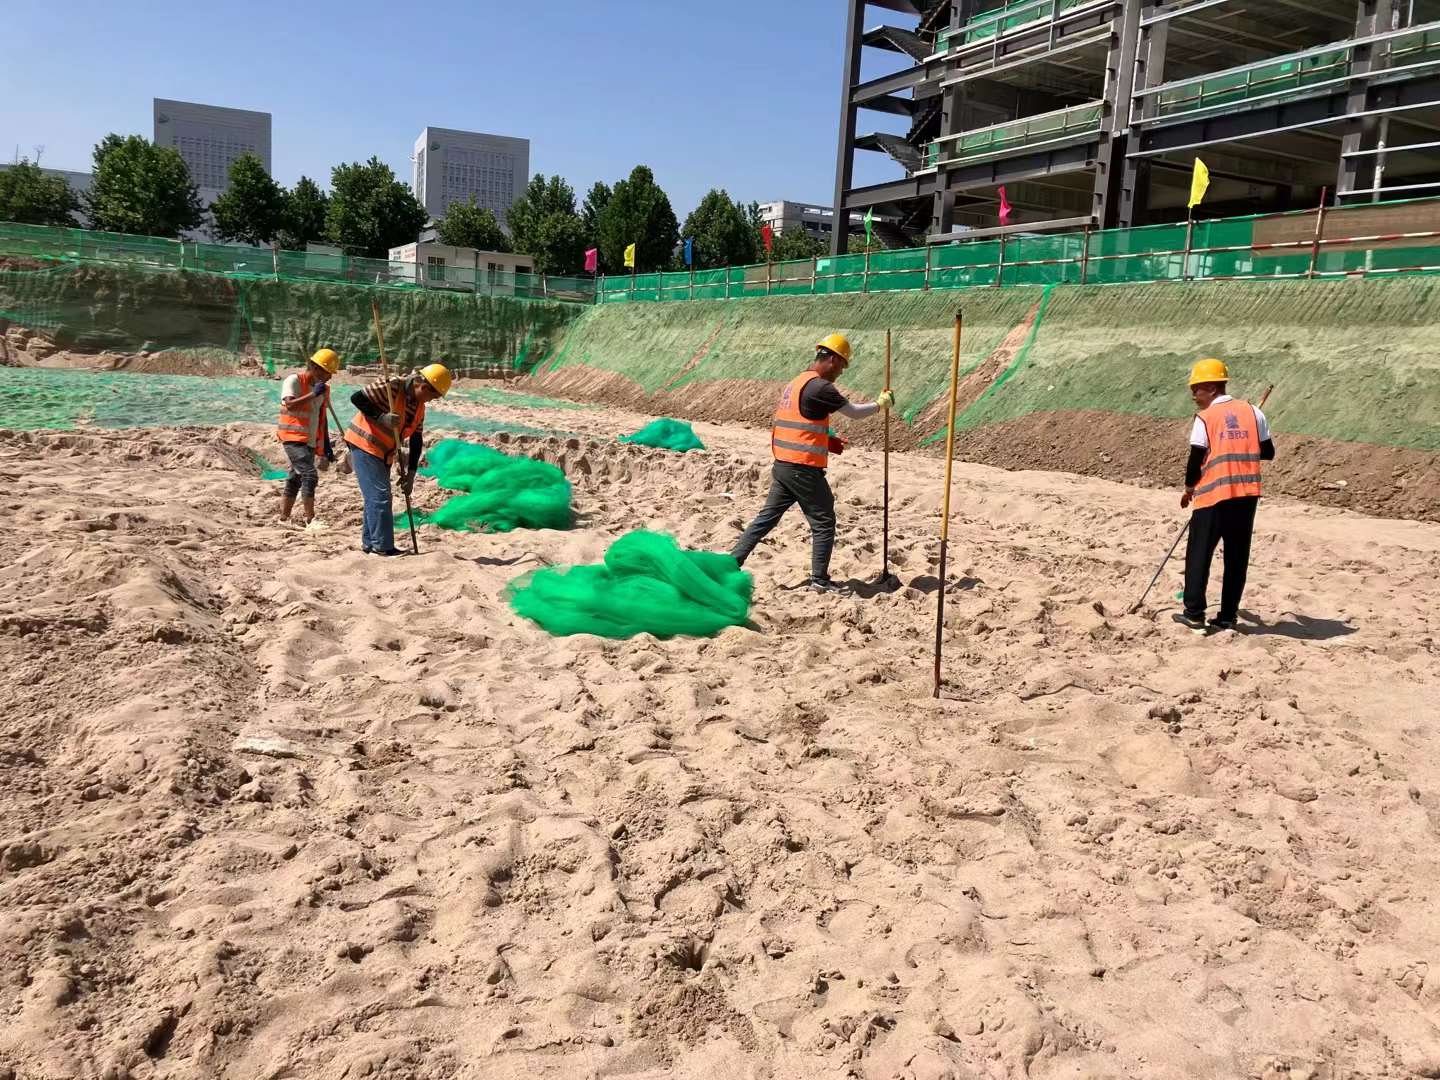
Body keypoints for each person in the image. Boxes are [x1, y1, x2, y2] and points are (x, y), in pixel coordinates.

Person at [731, 333, 894, 594]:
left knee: (767, 518)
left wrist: (826, 440)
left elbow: (801, 418)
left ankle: (732, 562)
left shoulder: (797, 382)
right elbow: (853, 412)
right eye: (841, 366)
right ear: (831, 359)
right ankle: (820, 580)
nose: (840, 372)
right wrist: (879, 405)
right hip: (802, 468)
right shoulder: (821, 387)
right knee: (824, 520)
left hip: (784, 464)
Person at [1175, 358, 1275, 632]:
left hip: (1213, 496)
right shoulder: (1253, 413)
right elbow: (1267, 452)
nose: (1194, 396)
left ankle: (1194, 614)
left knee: (1199, 554)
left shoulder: (1205, 418)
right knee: (1236, 557)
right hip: (1246, 495)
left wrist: (1188, 489)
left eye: (1196, 389)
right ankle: (1227, 616)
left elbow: (1195, 459)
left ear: (1210, 387)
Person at [345, 363, 452, 555]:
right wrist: (381, 417)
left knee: (375, 496)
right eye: (432, 396)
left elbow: (416, 440)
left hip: (384, 451)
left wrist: (411, 474)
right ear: (423, 386)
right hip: (364, 443)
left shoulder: (419, 407)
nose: (430, 401)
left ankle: (370, 543)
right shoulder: (393, 386)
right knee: (380, 496)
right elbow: (357, 398)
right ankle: (383, 547)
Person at [277, 347, 341, 525]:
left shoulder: (324, 389)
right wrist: (313, 394)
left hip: (310, 441)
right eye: (328, 372)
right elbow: (289, 405)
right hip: (292, 437)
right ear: (316, 368)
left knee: (295, 477)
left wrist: (326, 445)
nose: (330, 377)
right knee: (310, 475)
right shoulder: (294, 381)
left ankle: (284, 517)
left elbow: (322, 418)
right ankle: (310, 519)